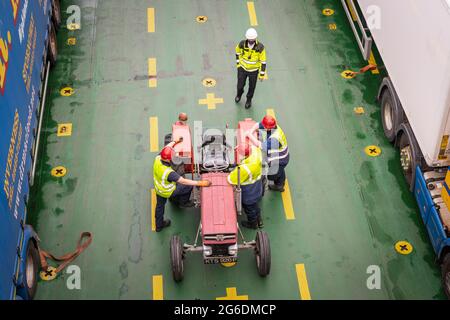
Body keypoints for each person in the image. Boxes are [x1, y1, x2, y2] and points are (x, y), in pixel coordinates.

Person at [153, 142, 211, 232]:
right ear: (169, 160)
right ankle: (184, 203)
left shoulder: (158, 158)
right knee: (188, 186)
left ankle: (159, 226)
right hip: (168, 191)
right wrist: (200, 183)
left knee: (159, 207)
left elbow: (167, 147)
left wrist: (175, 141)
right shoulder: (168, 172)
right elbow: (183, 181)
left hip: (159, 189)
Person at [246, 115, 289, 192]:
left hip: (280, 160)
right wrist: (251, 131)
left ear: (269, 128)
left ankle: (279, 186)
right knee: (280, 171)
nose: (262, 127)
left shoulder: (275, 139)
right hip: (282, 155)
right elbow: (258, 125)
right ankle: (280, 181)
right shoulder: (273, 126)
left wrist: (249, 135)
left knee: (271, 175)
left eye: (264, 127)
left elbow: (260, 146)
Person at [227, 144, 264, 229]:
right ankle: (259, 220)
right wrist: (240, 146)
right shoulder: (256, 154)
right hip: (257, 188)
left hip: (248, 194)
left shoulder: (244, 169)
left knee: (249, 209)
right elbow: (254, 147)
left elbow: (230, 180)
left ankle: (253, 224)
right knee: (255, 206)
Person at [235, 28, 267, 109]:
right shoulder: (242, 44)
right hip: (242, 69)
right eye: (249, 39)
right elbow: (237, 52)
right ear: (247, 38)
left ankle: (249, 100)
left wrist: (261, 75)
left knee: (252, 87)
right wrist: (238, 64)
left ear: (255, 38)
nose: (251, 41)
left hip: (254, 71)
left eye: (252, 39)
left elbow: (263, 62)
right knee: (240, 85)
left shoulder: (260, 47)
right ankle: (239, 94)